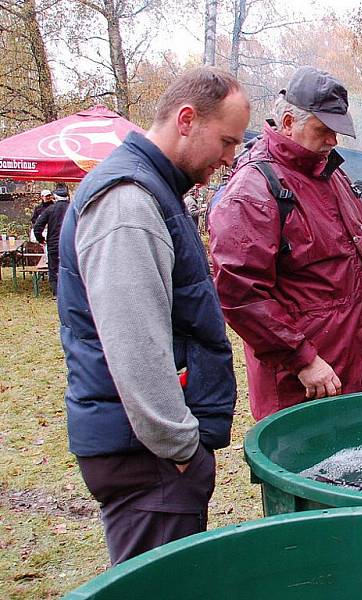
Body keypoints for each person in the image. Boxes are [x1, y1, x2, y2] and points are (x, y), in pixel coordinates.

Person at [56, 67, 249, 565]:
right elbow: (135, 345)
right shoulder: (128, 201)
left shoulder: (154, 191)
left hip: (152, 455)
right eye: (227, 141)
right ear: (187, 119)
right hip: (150, 458)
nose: (230, 159)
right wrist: (182, 448)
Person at [209, 66, 362, 421]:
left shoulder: (333, 176)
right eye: (323, 130)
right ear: (289, 123)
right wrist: (302, 358)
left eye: (336, 132)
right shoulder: (254, 190)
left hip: (360, 372)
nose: (333, 141)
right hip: (306, 387)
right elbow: (240, 294)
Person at [33, 184, 70, 296]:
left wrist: (41, 239)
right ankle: (71, 291)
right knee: (71, 266)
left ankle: (56, 293)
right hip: (70, 243)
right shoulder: (73, 207)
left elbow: (37, 227)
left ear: (55, 197)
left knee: (53, 269)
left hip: (54, 243)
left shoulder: (50, 209)